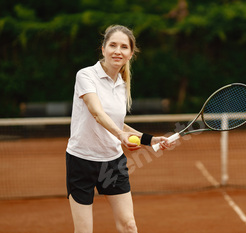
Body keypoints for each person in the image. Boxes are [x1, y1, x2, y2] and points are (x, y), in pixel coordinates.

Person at [66, 25, 171, 233]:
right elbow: (97, 113)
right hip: (82, 161)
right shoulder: (86, 76)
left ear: (131, 54)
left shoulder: (122, 84)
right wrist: (121, 135)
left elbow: (116, 122)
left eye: (124, 47)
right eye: (112, 45)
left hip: (113, 163)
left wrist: (149, 140)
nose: (118, 51)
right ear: (103, 48)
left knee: (129, 225)